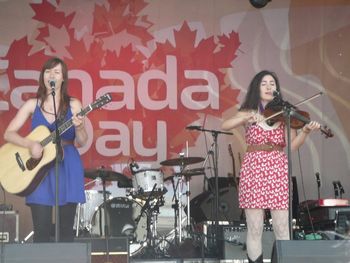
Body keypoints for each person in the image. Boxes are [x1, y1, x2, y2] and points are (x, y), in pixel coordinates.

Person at [221, 70, 320, 263]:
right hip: (254, 169)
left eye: (272, 83)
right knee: (255, 227)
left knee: (282, 227)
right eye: (264, 83)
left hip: (277, 169)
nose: (268, 87)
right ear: (256, 87)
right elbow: (226, 125)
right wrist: (245, 118)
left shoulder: (286, 113)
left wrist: (305, 132)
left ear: (277, 89)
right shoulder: (249, 110)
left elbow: (291, 146)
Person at [4, 57, 87, 242]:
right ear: (43, 77)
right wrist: (30, 144)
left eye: (57, 72)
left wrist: (80, 127)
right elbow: (9, 134)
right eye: (48, 71)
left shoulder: (74, 104)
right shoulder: (32, 104)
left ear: (63, 78)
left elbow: (82, 141)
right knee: (41, 231)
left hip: (67, 162)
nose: (52, 75)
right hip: (39, 169)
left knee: (66, 232)